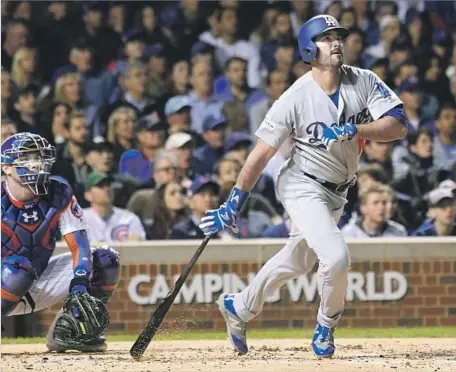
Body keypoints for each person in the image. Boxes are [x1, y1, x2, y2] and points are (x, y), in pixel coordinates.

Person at [199, 15, 407, 358]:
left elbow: (398, 125)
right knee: (336, 256)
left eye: (338, 36)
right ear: (310, 48)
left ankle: (239, 306)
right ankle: (326, 325)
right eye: (327, 38)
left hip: (338, 190)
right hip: (301, 184)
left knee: (297, 261)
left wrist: (356, 130)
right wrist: (233, 202)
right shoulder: (294, 98)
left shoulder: (364, 80)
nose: (336, 42)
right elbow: (259, 155)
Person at [1, 132, 120, 352]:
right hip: (5, 281)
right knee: (17, 269)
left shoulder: (59, 191)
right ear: (7, 167)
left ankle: (71, 331)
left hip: (36, 278)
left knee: (105, 260)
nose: (36, 164)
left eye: (38, 157)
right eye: (27, 157)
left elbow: (79, 244)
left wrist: (80, 284)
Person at [82, 172, 146, 242]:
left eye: (108, 185)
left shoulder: (129, 218)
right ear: (88, 195)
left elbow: (138, 247)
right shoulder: (79, 220)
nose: (106, 189)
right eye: (100, 186)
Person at [341, 183, 407, 237]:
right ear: (363, 208)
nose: (381, 207)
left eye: (384, 203)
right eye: (375, 203)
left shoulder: (398, 232)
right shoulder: (349, 233)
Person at [119, 110, 166, 186]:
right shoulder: (130, 157)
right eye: (152, 130)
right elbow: (128, 183)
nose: (157, 134)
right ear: (140, 135)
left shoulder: (170, 156)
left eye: (159, 129)